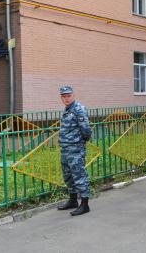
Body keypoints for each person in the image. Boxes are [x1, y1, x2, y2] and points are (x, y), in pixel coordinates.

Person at [57, 86, 92, 216]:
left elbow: (86, 129)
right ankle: (73, 200)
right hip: (65, 149)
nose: (66, 98)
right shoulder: (67, 110)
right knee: (68, 176)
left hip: (75, 148)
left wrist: (81, 142)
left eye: (68, 96)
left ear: (73, 96)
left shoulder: (78, 109)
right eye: (64, 96)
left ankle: (85, 204)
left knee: (80, 176)